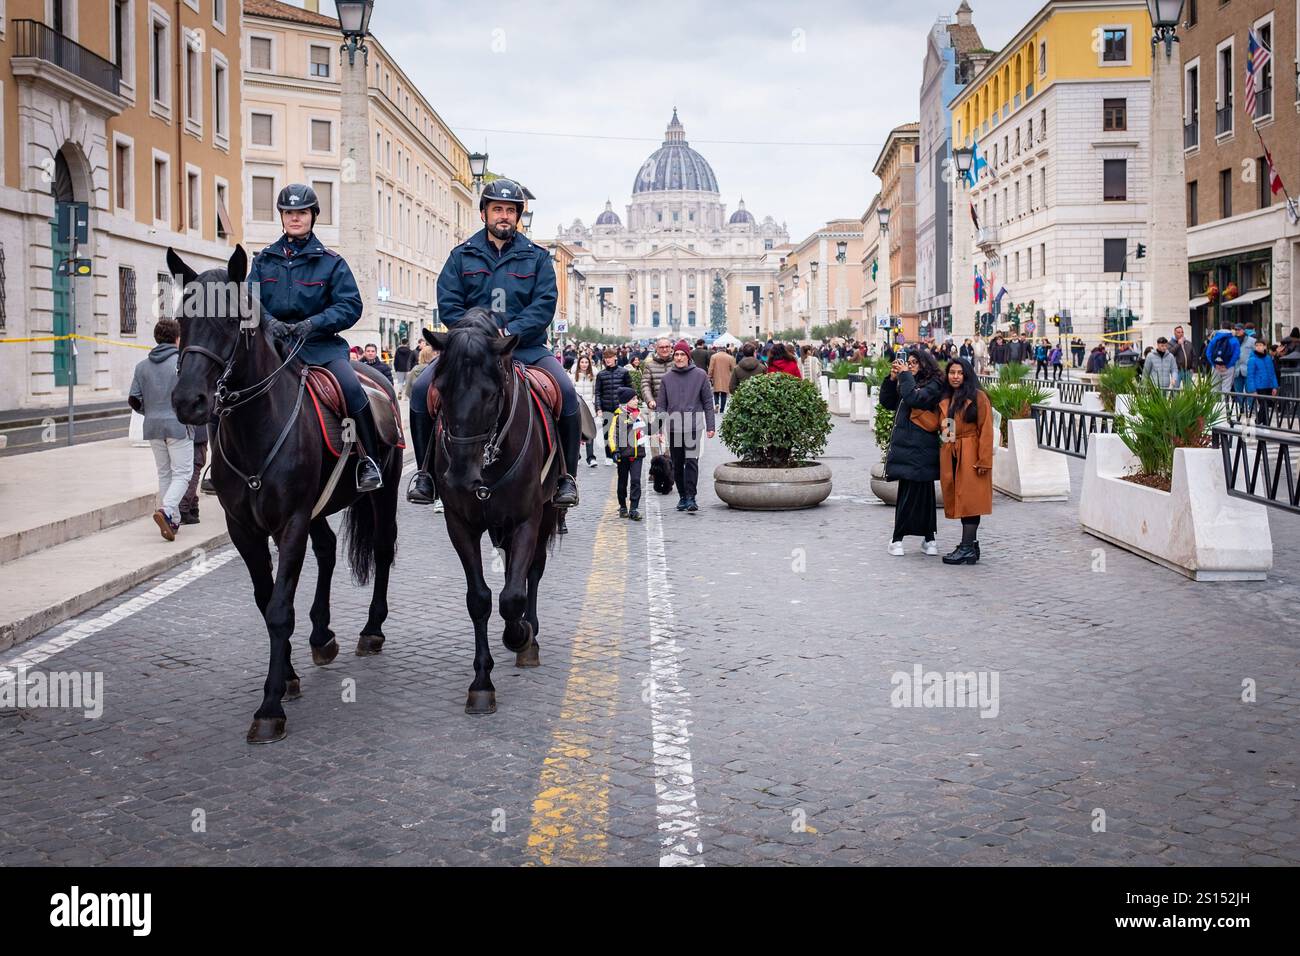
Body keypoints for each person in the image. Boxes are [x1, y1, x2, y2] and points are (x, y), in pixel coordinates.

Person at [408, 178, 580, 529]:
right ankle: (426, 475)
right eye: (498, 209)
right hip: (471, 352)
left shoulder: (537, 259)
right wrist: (477, 334)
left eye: (511, 211)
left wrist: (510, 332)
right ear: (485, 212)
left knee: (566, 392)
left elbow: (544, 304)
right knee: (423, 390)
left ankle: (566, 477)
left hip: (525, 348)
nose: (504, 216)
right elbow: (450, 304)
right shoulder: (461, 256)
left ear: (518, 217)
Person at [250, 183, 383, 492]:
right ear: (281, 217)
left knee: (352, 390)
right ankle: (223, 466)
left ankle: (369, 461)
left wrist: (314, 323)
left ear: (313, 216)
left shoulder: (331, 262)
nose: (295, 218)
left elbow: (351, 305)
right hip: (274, 348)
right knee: (231, 390)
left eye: (301, 213)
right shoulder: (262, 261)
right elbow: (248, 301)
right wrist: (268, 323)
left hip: (320, 347)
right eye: (289, 213)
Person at [128, 318, 195, 541]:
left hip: (152, 426)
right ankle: (166, 510)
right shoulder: (182, 364)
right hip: (178, 424)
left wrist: (151, 412)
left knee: (164, 473)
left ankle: (173, 520)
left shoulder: (141, 366)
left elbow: (134, 400)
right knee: (183, 474)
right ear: (177, 339)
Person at [878, 349, 943, 555]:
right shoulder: (907, 382)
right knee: (911, 492)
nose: (911, 365)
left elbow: (915, 399)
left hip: (922, 448)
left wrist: (905, 375)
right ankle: (924, 540)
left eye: (916, 362)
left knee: (921, 494)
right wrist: (891, 378)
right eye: (909, 362)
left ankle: (906, 539)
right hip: (908, 448)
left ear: (925, 364)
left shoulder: (934, 384)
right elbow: (887, 402)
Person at [934, 357, 992, 565]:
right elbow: (947, 428)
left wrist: (984, 460)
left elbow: (986, 430)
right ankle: (971, 544)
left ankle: (966, 547)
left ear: (966, 374)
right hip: (953, 453)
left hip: (972, 453)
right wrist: (946, 447)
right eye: (952, 373)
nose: (955, 377)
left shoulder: (978, 397)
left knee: (970, 502)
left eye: (959, 373)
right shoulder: (946, 398)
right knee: (960, 499)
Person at [656, 339, 716, 513]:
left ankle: (691, 496)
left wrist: (711, 425)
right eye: (677, 354)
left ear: (688, 357)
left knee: (692, 462)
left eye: (682, 354)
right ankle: (682, 496)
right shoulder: (667, 378)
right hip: (674, 427)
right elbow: (661, 405)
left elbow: (707, 402)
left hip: (694, 425)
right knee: (677, 462)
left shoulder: (700, 375)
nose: (679, 357)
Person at [607, 386, 649, 520]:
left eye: (637, 398)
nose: (637, 401)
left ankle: (634, 509)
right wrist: (615, 450)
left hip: (638, 453)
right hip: (623, 454)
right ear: (626, 401)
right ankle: (623, 506)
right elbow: (613, 434)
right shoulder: (618, 415)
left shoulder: (639, 414)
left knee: (636, 480)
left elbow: (645, 429)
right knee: (622, 481)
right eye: (634, 399)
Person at [595, 350, 632, 466]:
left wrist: (628, 407)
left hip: (620, 408)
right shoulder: (601, 374)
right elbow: (597, 393)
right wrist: (598, 408)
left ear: (615, 357)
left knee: (620, 432)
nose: (607, 360)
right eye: (605, 357)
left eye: (610, 357)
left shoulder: (624, 372)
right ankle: (608, 456)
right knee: (607, 432)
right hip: (606, 407)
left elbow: (630, 390)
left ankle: (619, 455)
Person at [569, 353, 599, 468]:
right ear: (578, 364)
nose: (584, 364)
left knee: (589, 434)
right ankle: (577, 457)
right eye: (582, 362)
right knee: (576, 434)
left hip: (589, 409)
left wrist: (593, 404)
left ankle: (591, 458)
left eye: (586, 362)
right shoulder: (572, 377)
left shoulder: (593, 377)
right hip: (576, 408)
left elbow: (596, 393)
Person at [178, 419, 209, 526]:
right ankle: (184, 508)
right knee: (195, 468)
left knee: (187, 471)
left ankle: (192, 507)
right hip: (195, 432)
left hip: (180, 434)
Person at [1246, 337, 1279, 424]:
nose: (1258, 347)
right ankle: (1261, 422)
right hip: (1259, 386)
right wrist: (1252, 390)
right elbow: (1250, 375)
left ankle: (1263, 423)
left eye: (1260, 345)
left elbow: (1272, 373)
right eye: (1257, 345)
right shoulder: (1252, 359)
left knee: (1266, 405)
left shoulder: (1268, 358)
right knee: (1263, 405)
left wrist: (1274, 387)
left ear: (1265, 347)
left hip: (1268, 386)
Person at [640, 337, 675, 411]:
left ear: (671, 348)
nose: (664, 349)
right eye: (661, 347)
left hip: (677, 406)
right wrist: (650, 400)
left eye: (667, 347)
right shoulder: (650, 365)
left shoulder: (677, 363)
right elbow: (645, 385)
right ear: (656, 348)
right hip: (658, 406)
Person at [1204, 322, 1240, 394]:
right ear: (1230, 328)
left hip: (1216, 368)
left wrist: (1214, 365)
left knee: (1214, 389)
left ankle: (1214, 405)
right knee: (1226, 389)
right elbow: (1236, 355)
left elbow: (1208, 353)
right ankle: (1225, 404)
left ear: (1221, 327)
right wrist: (1228, 365)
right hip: (1228, 368)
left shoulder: (1214, 339)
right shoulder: (1234, 340)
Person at [709, 344, 737, 414]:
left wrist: (709, 376)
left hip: (716, 376)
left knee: (716, 392)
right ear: (725, 350)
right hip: (726, 377)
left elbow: (711, 368)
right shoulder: (730, 357)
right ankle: (722, 409)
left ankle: (716, 404)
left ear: (718, 349)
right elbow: (733, 369)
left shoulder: (714, 356)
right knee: (724, 393)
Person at [1233, 323, 1254, 395]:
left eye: (1239, 329)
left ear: (1244, 330)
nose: (1237, 331)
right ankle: (1241, 406)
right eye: (1236, 329)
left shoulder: (1252, 341)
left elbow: (1256, 354)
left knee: (1250, 391)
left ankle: (1250, 406)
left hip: (1248, 370)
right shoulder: (1232, 341)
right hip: (1236, 370)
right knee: (1238, 392)